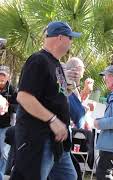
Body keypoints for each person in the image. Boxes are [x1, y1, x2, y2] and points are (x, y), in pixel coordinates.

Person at [11, 21, 81, 180]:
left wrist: (70, 87)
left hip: (57, 141)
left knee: (70, 177)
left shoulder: (55, 64)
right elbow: (24, 96)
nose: (71, 42)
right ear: (60, 38)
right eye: (70, 38)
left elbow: (54, 96)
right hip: (39, 139)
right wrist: (53, 120)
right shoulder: (38, 60)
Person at [0, 65, 17, 179]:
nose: (1, 77)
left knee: (3, 152)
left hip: (6, 126)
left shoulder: (13, 89)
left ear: (8, 77)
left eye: (4, 75)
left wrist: (7, 105)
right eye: (0, 74)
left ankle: (1, 175)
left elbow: (17, 106)